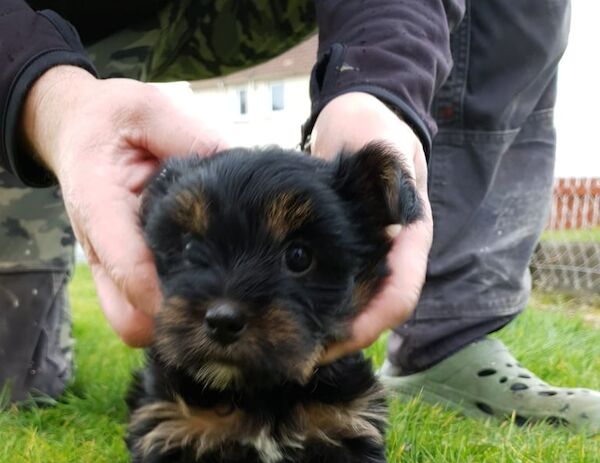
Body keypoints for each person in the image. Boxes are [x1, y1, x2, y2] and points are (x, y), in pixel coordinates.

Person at [1, 1, 598, 431]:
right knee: (15, 386)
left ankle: (453, 338)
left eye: (298, 257)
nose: (228, 302)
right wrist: (42, 96)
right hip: (43, 20)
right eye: (192, 250)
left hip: (259, 14)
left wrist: (381, 87)